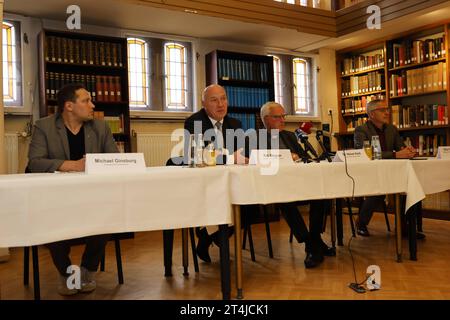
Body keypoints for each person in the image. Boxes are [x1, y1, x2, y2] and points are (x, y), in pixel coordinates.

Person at [28, 83, 119, 296]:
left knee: (108, 217)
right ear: (69, 106)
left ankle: (87, 270)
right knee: (50, 222)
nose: (92, 105)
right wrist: (73, 165)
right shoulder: (44, 126)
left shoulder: (100, 127)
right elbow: (35, 162)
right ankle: (66, 272)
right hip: (56, 196)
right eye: (86, 100)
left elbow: (116, 158)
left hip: (92, 195)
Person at [256, 101, 336, 268]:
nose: (283, 120)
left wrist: (297, 157)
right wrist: (283, 157)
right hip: (274, 186)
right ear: (266, 119)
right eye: (278, 117)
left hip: (298, 182)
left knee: (321, 193)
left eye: (283, 116)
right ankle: (311, 243)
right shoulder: (257, 138)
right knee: (285, 201)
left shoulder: (290, 136)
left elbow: (302, 157)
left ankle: (313, 239)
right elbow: (257, 163)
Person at [184, 84, 248, 263]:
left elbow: (241, 154)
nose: (221, 104)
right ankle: (218, 239)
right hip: (203, 183)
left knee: (247, 201)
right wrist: (229, 157)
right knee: (217, 198)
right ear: (204, 104)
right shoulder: (194, 122)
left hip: (230, 181)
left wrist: (245, 157)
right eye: (214, 100)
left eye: (223, 98)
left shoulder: (235, 123)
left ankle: (205, 237)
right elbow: (198, 156)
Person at [353, 99, 424, 238]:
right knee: (379, 191)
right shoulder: (361, 130)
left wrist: (408, 150)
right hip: (371, 173)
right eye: (382, 110)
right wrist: (395, 154)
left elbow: (400, 147)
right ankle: (361, 223)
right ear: (372, 114)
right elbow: (366, 154)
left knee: (410, 186)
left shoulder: (391, 129)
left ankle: (404, 227)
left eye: (387, 109)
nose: (387, 112)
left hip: (392, 171)